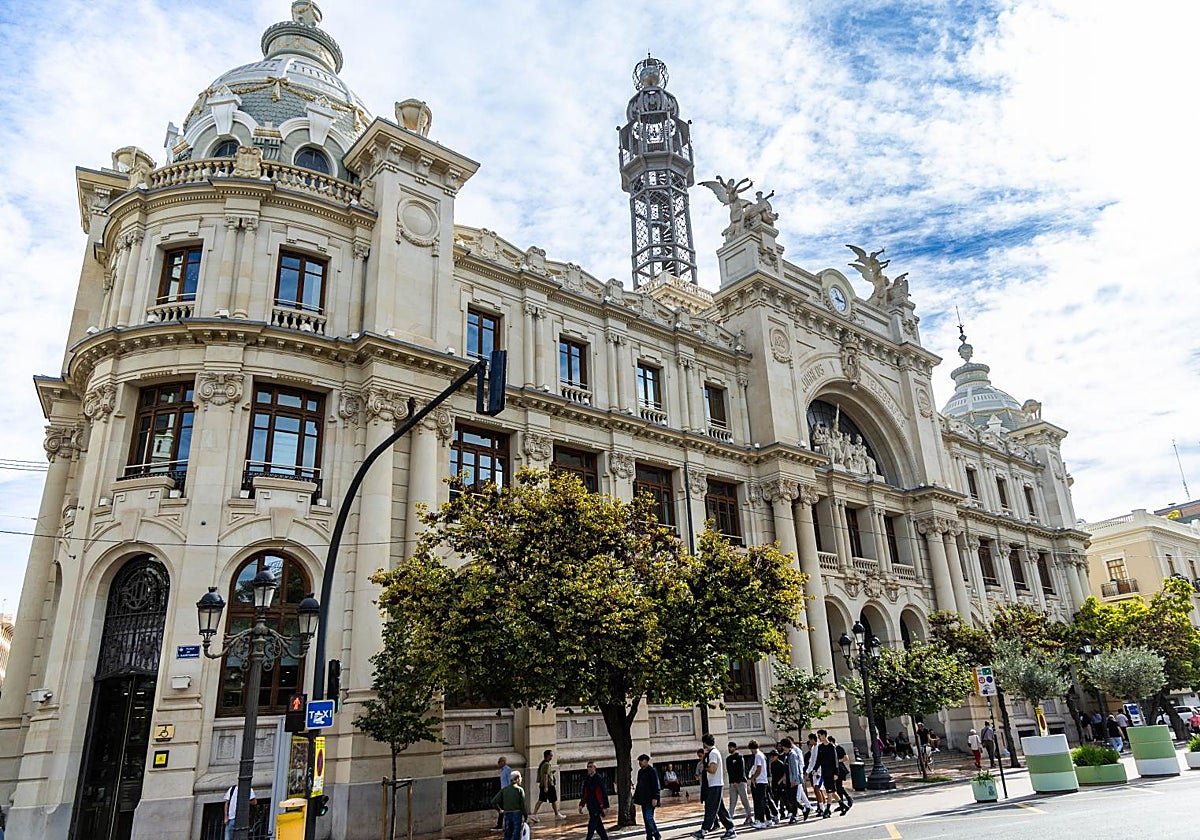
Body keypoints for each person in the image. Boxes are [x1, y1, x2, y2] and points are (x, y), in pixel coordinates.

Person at [693, 733, 736, 840]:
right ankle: (730, 829)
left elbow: (712, 769)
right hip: (714, 784)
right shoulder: (712, 753)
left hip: (714, 785)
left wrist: (705, 768)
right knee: (720, 809)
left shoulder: (713, 753)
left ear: (705, 743)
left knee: (711, 808)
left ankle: (703, 831)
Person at [812, 730, 842, 819]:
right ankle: (843, 805)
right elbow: (819, 760)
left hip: (831, 772)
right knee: (831, 791)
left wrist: (836, 773)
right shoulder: (820, 747)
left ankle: (827, 810)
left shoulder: (831, 747)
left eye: (820, 736)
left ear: (824, 736)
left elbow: (835, 761)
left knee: (830, 791)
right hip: (824, 772)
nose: (819, 738)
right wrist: (815, 769)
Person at [492, 769, 528, 840]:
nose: (521, 780)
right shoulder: (520, 790)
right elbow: (523, 805)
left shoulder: (504, 790)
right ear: (517, 778)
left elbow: (494, 801)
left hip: (507, 814)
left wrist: (499, 810)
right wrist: (525, 815)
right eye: (520, 778)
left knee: (507, 834)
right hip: (517, 814)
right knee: (516, 834)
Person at [633, 754, 663, 840]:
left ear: (646, 761)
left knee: (649, 817)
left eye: (641, 761)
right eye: (639, 761)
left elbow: (656, 786)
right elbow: (639, 785)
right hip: (643, 799)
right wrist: (635, 797)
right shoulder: (640, 772)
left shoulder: (652, 771)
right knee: (646, 819)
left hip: (650, 799)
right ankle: (649, 835)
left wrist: (655, 798)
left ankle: (656, 833)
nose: (640, 763)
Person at [579, 761, 610, 840]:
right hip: (590, 805)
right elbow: (585, 793)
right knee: (598, 826)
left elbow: (603, 792)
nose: (589, 768)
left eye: (590, 766)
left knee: (592, 825)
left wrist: (605, 806)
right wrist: (581, 804)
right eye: (588, 767)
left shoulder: (599, 778)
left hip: (597, 805)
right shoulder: (587, 779)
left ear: (594, 768)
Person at [533, 748, 565, 820]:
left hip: (544, 785)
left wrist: (551, 773)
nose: (552, 757)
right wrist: (546, 787)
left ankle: (556, 814)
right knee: (547, 799)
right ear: (547, 756)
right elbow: (545, 775)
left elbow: (545, 774)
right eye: (551, 755)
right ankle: (535, 814)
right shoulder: (546, 764)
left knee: (547, 800)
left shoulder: (542, 763)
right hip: (549, 785)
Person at [725, 742, 752, 825]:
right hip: (732, 783)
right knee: (732, 801)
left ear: (735, 748)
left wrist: (737, 781)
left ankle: (749, 816)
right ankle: (730, 818)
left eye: (731, 747)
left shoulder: (740, 757)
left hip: (741, 782)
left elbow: (741, 770)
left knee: (744, 800)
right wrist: (732, 782)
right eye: (729, 747)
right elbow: (729, 771)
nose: (729, 749)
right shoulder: (728, 759)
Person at [827, 735, 853, 816]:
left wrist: (838, 761)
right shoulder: (831, 749)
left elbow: (846, 758)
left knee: (839, 786)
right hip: (835, 770)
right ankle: (842, 802)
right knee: (838, 787)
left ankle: (847, 798)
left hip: (840, 770)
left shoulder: (838, 748)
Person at [747, 739, 770, 828]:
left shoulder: (758, 756)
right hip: (763, 780)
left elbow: (759, 769)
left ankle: (761, 820)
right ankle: (768, 819)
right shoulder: (762, 755)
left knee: (759, 802)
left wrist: (753, 778)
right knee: (763, 801)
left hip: (760, 781)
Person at [494, 757, 512, 830]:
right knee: (501, 807)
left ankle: (502, 824)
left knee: (504, 808)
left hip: (506, 792)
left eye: (499, 762)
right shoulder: (502, 770)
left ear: (503, 762)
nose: (498, 764)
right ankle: (500, 824)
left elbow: (509, 781)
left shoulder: (507, 770)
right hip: (503, 791)